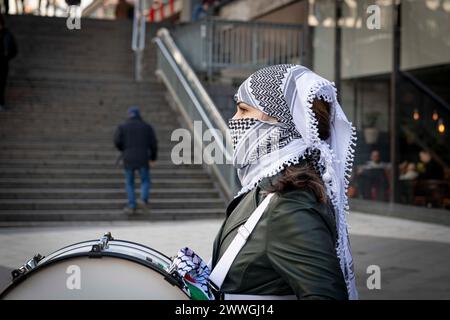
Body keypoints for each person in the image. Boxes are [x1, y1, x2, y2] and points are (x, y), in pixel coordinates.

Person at [209, 65, 358, 300]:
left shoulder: (290, 202)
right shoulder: (267, 185)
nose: (234, 120)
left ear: (281, 121)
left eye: (244, 110)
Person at [114, 106, 157, 214]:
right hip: (143, 157)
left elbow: (117, 141)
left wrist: (124, 149)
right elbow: (154, 144)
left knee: (129, 182)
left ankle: (132, 205)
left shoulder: (122, 127)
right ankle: (143, 200)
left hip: (128, 158)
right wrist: (153, 158)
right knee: (145, 180)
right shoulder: (147, 127)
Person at [0, 14, 17, 111]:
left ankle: (1, 103)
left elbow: (14, 50)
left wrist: (7, 56)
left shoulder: (8, 35)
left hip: (3, 63)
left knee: (1, 84)